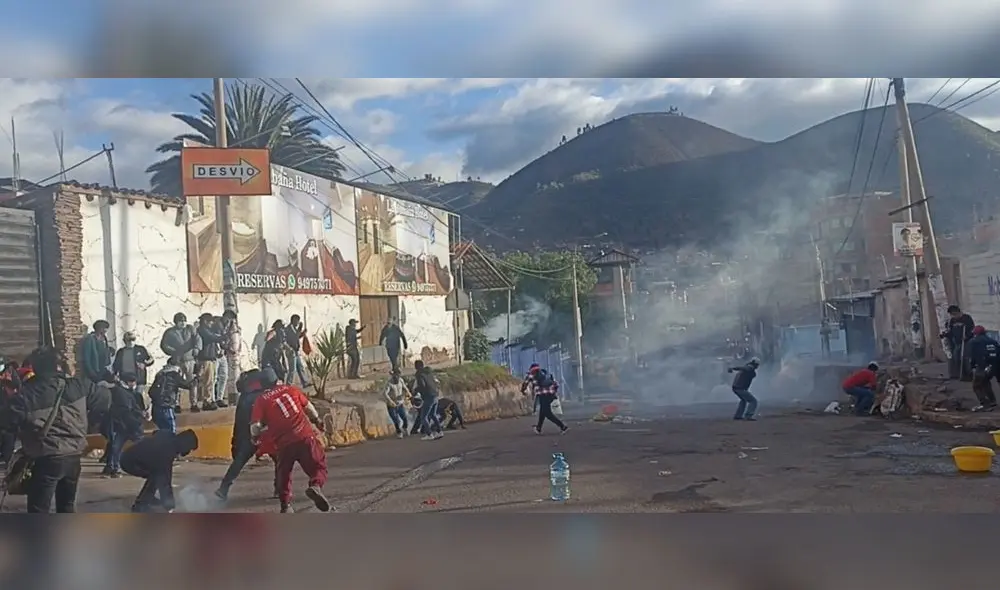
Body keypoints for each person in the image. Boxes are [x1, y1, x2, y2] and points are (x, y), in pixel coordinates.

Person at [3, 346, 110, 513]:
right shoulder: (78, 385)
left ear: (35, 367)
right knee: (67, 506)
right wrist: (91, 420)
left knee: (38, 510)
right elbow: (105, 397)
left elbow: (7, 421)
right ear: (58, 365)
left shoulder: (27, 394)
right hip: (73, 455)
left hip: (45, 457)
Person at [250, 382, 331, 513]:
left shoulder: (261, 400)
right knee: (319, 466)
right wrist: (317, 421)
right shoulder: (291, 389)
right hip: (304, 437)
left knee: (284, 473)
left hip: (284, 444)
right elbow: (309, 407)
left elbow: (256, 426)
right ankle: (316, 485)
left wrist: (254, 437)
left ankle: (285, 504)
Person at [215, 367, 281, 502]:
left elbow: (239, 420)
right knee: (279, 460)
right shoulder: (265, 395)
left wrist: (235, 442)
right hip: (263, 432)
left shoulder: (245, 395)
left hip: (248, 434)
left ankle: (223, 488)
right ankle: (279, 488)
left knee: (239, 461)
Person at [120, 429, 199, 513]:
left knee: (156, 474)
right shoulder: (167, 452)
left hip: (128, 455)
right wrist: (169, 505)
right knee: (156, 477)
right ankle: (140, 506)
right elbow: (165, 481)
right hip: (129, 462)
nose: (188, 452)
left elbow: (156, 432)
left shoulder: (168, 435)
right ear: (185, 445)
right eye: (189, 449)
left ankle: (149, 498)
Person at [101, 372, 147, 478]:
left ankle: (113, 467)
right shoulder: (122, 393)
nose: (134, 384)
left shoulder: (125, 392)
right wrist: (137, 421)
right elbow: (126, 411)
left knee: (116, 447)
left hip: (124, 424)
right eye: (132, 382)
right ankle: (114, 467)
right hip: (126, 424)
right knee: (117, 447)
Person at [160, 312, 198, 413]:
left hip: (190, 359)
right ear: (175, 322)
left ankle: (194, 403)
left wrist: (197, 348)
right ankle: (176, 404)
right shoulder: (170, 332)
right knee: (176, 383)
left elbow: (197, 339)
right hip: (177, 361)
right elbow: (164, 345)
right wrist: (172, 351)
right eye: (180, 321)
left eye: (184, 320)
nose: (183, 323)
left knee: (193, 382)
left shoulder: (190, 329)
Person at [147, 359, 196, 434]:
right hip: (167, 406)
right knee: (171, 432)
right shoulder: (175, 375)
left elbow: (150, 392)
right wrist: (197, 377)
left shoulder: (159, 374)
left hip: (156, 407)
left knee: (163, 431)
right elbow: (189, 385)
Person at [195, 313, 225, 411]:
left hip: (208, 358)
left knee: (209, 381)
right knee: (207, 381)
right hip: (205, 358)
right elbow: (214, 338)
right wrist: (224, 335)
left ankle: (207, 400)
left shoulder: (205, 330)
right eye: (210, 321)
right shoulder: (203, 331)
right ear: (205, 321)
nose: (212, 323)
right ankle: (206, 401)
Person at [527, 365, 568, 435]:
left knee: (547, 413)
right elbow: (556, 384)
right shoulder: (546, 374)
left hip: (543, 396)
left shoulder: (531, 375)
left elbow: (525, 383)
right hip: (551, 396)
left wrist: (522, 390)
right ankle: (538, 428)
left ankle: (562, 426)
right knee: (543, 411)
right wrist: (553, 392)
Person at [112, 331, 154, 399]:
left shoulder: (141, 349)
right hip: (124, 380)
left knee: (138, 398)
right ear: (124, 341)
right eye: (128, 340)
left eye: (132, 339)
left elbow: (151, 359)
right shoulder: (120, 352)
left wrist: (144, 364)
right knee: (127, 398)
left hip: (139, 380)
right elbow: (116, 365)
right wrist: (115, 375)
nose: (130, 342)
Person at [967, 325, 999, 412]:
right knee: (985, 382)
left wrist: (972, 367)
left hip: (982, 366)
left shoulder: (974, 342)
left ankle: (985, 404)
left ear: (975, 333)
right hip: (994, 366)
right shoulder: (993, 341)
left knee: (977, 385)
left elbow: (972, 356)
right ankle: (992, 401)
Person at [941, 305, 975, 381]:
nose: (953, 316)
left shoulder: (967, 318)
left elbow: (972, 329)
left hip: (967, 341)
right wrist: (945, 335)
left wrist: (967, 336)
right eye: (951, 315)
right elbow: (950, 331)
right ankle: (960, 374)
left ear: (957, 312)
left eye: (954, 314)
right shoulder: (952, 321)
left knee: (965, 358)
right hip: (957, 342)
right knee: (956, 357)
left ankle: (969, 375)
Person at [413, 360, 444, 440]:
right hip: (435, 395)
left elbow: (422, 385)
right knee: (433, 415)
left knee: (423, 417)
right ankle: (440, 431)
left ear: (417, 366)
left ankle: (429, 434)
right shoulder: (429, 372)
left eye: (415, 366)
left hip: (429, 396)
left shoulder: (419, 374)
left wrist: (416, 390)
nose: (414, 367)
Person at [220, 310, 242, 406]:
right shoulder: (226, 330)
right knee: (231, 378)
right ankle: (232, 399)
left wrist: (238, 351)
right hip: (230, 355)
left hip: (236, 355)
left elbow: (239, 341)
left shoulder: (236, 331)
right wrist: (229, 349)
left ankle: (235, 398)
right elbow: (224, 342)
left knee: (236, 377)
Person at [81, 320, 114, 384]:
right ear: (99, 328)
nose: (106, 330)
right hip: (95, 370)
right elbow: (86, 357)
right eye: (105, 328)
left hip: (104, 369)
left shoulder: (104, 338)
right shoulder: (90, 339)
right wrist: (91, 372)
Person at [728, 357, 760, 421]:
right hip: (740, 388)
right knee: (753, 401)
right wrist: (733, 368)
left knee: (743, 400)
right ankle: (748, 416)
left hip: (737, 388)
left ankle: (738, 416)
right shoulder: (749, 368)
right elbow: (744, 369)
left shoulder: (748, 368)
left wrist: (732, 368)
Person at [383, 369, 411, 438]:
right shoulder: (389, 383)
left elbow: (405, 387)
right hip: (391, 405)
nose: (397, 378)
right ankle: (399, 432)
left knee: (404, 418)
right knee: (395, 420)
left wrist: (408, 393)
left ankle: (404, 428)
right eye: (395, 376)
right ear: (393, 376)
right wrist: (391, 401)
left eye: (398, 376)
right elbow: (385, 393)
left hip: (400, 403)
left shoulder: (401, 380)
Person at [285, 314, 310, 388]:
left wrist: (302, 333)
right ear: (293, 320)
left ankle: (305, 382)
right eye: (297, 321)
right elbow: (293, 337)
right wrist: (300, 330)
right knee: (292, 370)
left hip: (295, 351)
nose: (298, 323)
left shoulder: (294, 329)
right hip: (291, 350)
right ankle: (288, 385)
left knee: (300, 367)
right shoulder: (288, 329)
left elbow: (297, 337)